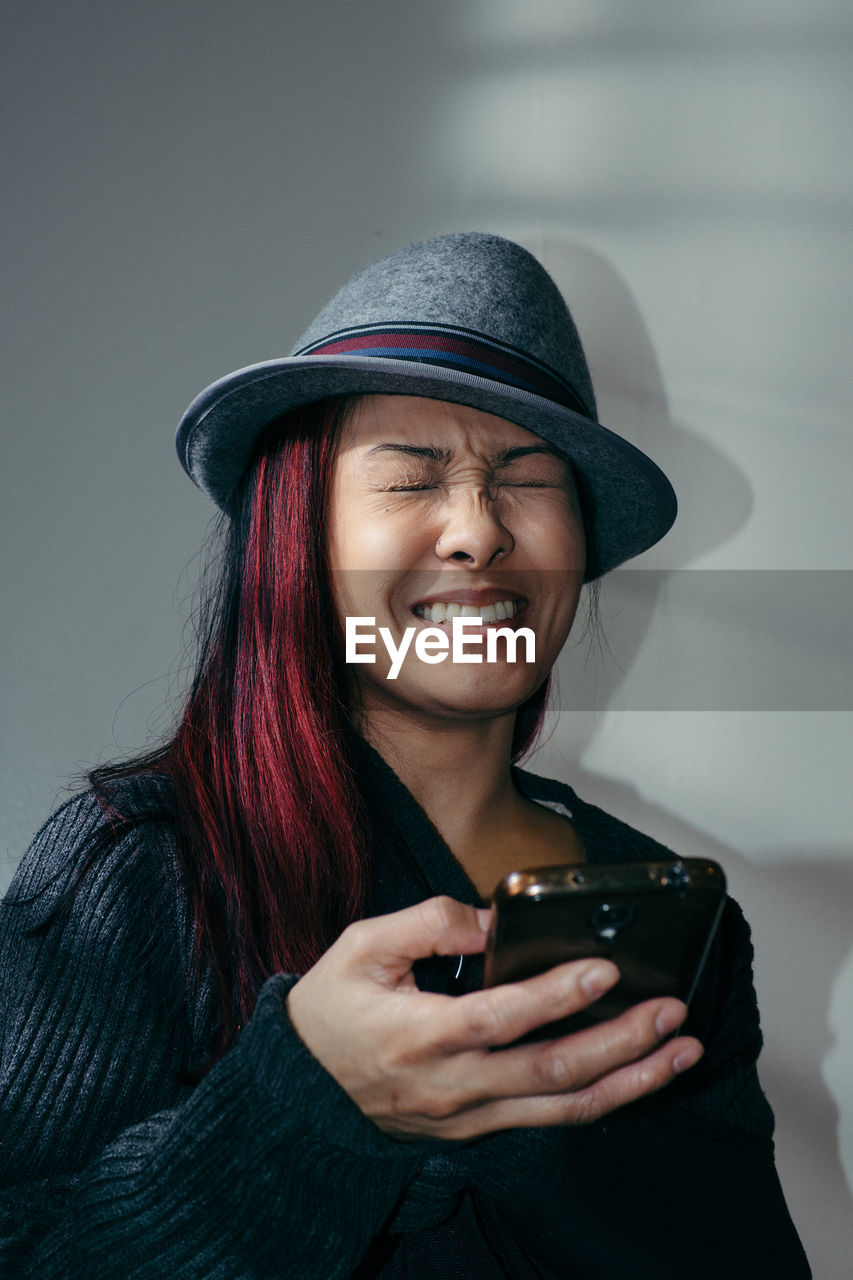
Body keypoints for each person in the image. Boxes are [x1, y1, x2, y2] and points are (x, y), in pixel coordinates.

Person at [0, 233, 810, 1278]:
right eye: (410, 477)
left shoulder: (669, 917)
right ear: (298, 537)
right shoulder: (141, 867)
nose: (476, 530)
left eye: (524, 476)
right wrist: (308, 1104)